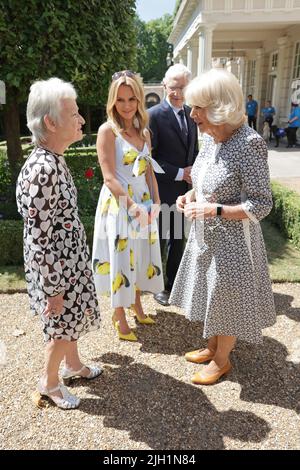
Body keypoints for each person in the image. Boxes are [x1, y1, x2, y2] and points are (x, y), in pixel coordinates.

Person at [170, 69, 276, 385]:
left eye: (198, 108)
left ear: (219, 107)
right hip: (207, 237)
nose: (192, 114)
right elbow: (202, 180)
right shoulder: (211, 138)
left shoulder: (250, 143)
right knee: (212, 294)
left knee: (227, 298)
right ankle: (212, 346)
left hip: (234, 244)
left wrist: (214, 209)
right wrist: (188, 196)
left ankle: (221, 361)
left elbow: (262, 204)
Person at [16, 78, 102, 410]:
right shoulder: (43, 169)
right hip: (58, 271)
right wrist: (53, 287)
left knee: (72, 320)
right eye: (74, 114)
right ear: (51, 122)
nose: (81, 120)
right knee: (60, 328)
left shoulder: (53, 159)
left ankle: (73, 366)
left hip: (69, 264)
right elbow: (38, 239)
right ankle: (49, 384)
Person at [92, 70, 164, 342]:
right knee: (122, 258)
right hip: (120, 204)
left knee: (141, 253)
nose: (126, 105)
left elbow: (149, 172)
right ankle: (118, 314)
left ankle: (137, 305)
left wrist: (156, 202)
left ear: (139, 100)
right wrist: (133, 207)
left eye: (131, 98)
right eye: (120, 99)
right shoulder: (107, 131)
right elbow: (109, 177)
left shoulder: (144, 131)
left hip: (144, 203)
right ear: (113, 101)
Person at [149, 64, 198, 306]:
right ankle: (157, 286)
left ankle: (173, 283)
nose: (177, 92)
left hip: (184, 192)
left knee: (178, 238)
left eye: (182, 87)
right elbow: (150, 159)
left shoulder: (192, 114)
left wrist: (194, 174)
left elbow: (193, 151)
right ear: (164, 86)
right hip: (162, 189)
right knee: (159, 239)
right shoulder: (154, 115)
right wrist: (180, 173)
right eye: (173, 87)